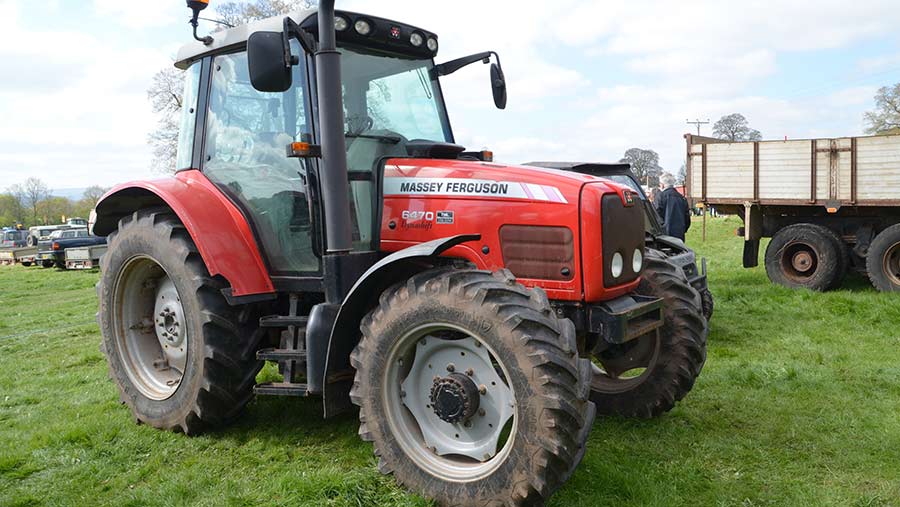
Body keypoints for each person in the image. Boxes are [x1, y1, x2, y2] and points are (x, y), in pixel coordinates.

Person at [654, 173, 691, 241]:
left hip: (664, 235)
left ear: (662, 185)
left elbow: (656, 215)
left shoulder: (660, 196)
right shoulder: (682, 198)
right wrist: (683, 230)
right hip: (679, 234)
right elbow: (687, 218)